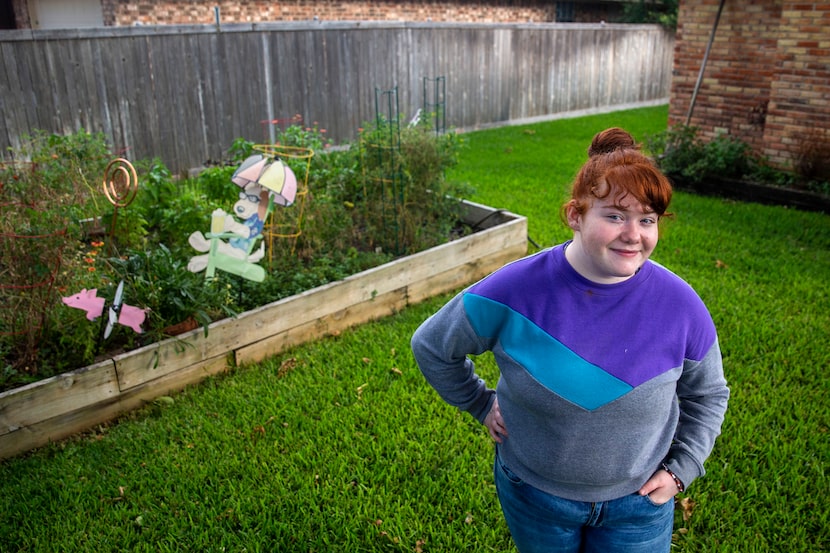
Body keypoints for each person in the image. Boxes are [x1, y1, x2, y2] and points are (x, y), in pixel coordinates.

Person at [410, 128, 729, 553]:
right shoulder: (515, 289)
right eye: (615, 215)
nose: (634, 234)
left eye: (647, 219)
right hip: (535, 494)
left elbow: (708, 394)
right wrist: (480, 403)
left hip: (639, 505)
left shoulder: (680, 306)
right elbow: (431, 346)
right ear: (576, 215)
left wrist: (682, 468)